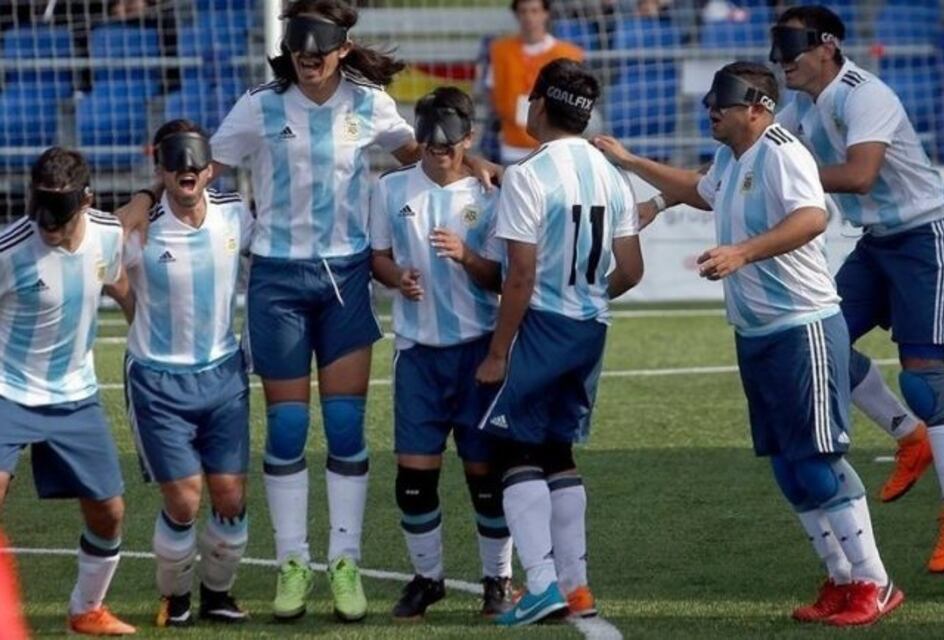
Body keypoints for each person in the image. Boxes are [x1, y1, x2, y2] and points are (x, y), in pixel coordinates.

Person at [205, 0, 498, 622]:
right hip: (277, 281)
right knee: (286, 431)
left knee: (344, 430)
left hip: (345, 277)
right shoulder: (259, 104)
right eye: (298, 53)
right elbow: (204, 166)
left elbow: (422, 157)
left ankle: (345, 563)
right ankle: (292, 562)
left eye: (318, 53)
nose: (307, 64)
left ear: (341, 48)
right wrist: (149, 200)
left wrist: (478, 163)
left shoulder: (369, 102)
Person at [595, 61, 905, 627]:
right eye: (711, 101)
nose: (711, 110)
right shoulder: (732, 155)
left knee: (816, 460)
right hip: (759, 333)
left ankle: (875, 583)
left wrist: (742, 252)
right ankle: (841, 579)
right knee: (788, 467)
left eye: (723, 102)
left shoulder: (783, 151)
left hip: (802, 327)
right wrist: (637, 170)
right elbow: (702, 190)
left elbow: (812, 217)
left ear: (758, 106)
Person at [771, 5, 944, 573]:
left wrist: (787, 174)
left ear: (827, 46)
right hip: (878, 242)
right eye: (778, 47)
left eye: (792, 46)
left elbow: (859, 175)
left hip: (927, 236)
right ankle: (908, 437)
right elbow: (757, 153)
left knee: (923, 375)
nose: (783, 59)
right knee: (826, 343)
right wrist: (661, 194)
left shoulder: (866, 94)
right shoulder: (802, 105)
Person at [477, 58, 643, 626]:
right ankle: (576, 588)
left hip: (542, 323)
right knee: (558, 453)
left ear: (542, 104)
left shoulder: (529, 174)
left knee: (516, 451)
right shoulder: (610, 175)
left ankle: (542, 584)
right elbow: (632, 268)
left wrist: (499, 352)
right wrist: (590, 294)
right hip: (590, 327)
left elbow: (518, 275)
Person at [369, 87, 514, 621]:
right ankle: (427, 580)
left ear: (468, 139)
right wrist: (395, 278)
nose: (439, 153)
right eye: (429, 145)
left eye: (449, 145)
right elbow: (377, 256)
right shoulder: (389, 189)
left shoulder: (493, 191)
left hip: (478, 352)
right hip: (418, 356)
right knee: (413, 481)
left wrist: (466, 256)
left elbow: (504, 277)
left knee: (485, 476)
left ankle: (498, 580)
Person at [121, 120, 252, 627]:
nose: (187, 171)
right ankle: (174, 598)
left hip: (223, 377)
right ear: (161, 169)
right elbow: (105, 271)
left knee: (230, 496)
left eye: (195, 161)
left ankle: (218, 594)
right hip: (158, 382)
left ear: (211, 166)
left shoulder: (236, 216)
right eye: (175, 163)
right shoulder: (139, 228)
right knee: (183, 500)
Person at [0, 147, 135, 635]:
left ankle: (86, 609)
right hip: (6, 392)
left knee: (109, 512)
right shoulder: (9, 249)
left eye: (59, 219)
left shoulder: (108, 234)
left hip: (75, 395)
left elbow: (115, 278)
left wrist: (144, 328)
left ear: (86, 201)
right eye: (42, 215)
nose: (48, 228)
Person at [487, 0, 585, 164]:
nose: (529, 17)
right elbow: (492, 91)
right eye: (523, 11)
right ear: (516, 14)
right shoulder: (500, 51)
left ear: (545, 13)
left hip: (555, 146)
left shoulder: (568, 53)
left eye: (534, 11)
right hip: (513, 144)